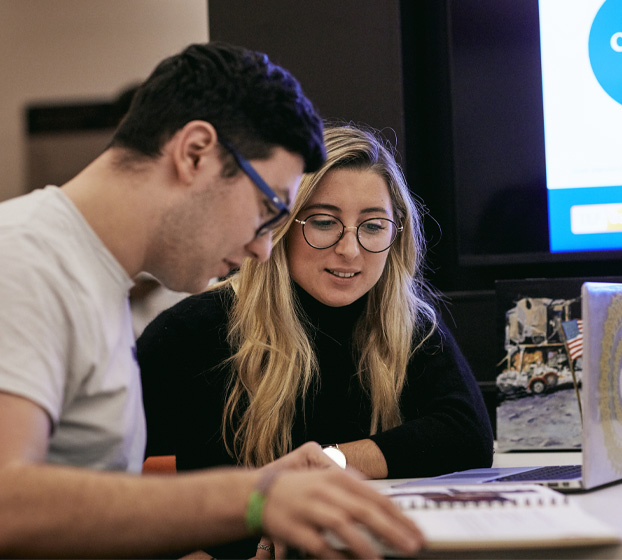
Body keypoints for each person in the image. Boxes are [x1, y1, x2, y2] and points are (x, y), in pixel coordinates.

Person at [0, 43, 424, 559]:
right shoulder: (23, 262)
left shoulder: (93, 279)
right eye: (268, 208)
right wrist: (251, 498)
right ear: (195, 152)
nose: (263, 246)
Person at [138, 123, 494, 556]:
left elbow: (467, 434)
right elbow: (117, 492)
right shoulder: (191, 331)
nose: (350, 250)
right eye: (325, 223)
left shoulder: (407, 324)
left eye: (373, 226)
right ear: (281, 226)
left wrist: (332, 461)